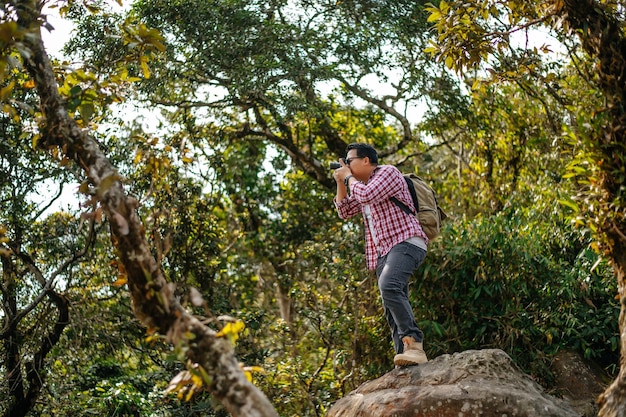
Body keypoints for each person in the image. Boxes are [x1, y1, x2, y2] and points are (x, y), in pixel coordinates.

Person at [332, 143, 429, 366]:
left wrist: (348, 178)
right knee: (390, 305)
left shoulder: (387, 173)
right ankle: (404, 359)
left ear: (366, 160)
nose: (347, 165)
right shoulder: (360, 184)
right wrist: (341, 182)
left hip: (406, 241)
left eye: (350, 161)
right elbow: (344, 211)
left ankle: (414, 344)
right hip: (384, 252)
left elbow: (367, 195)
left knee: (389, 285)